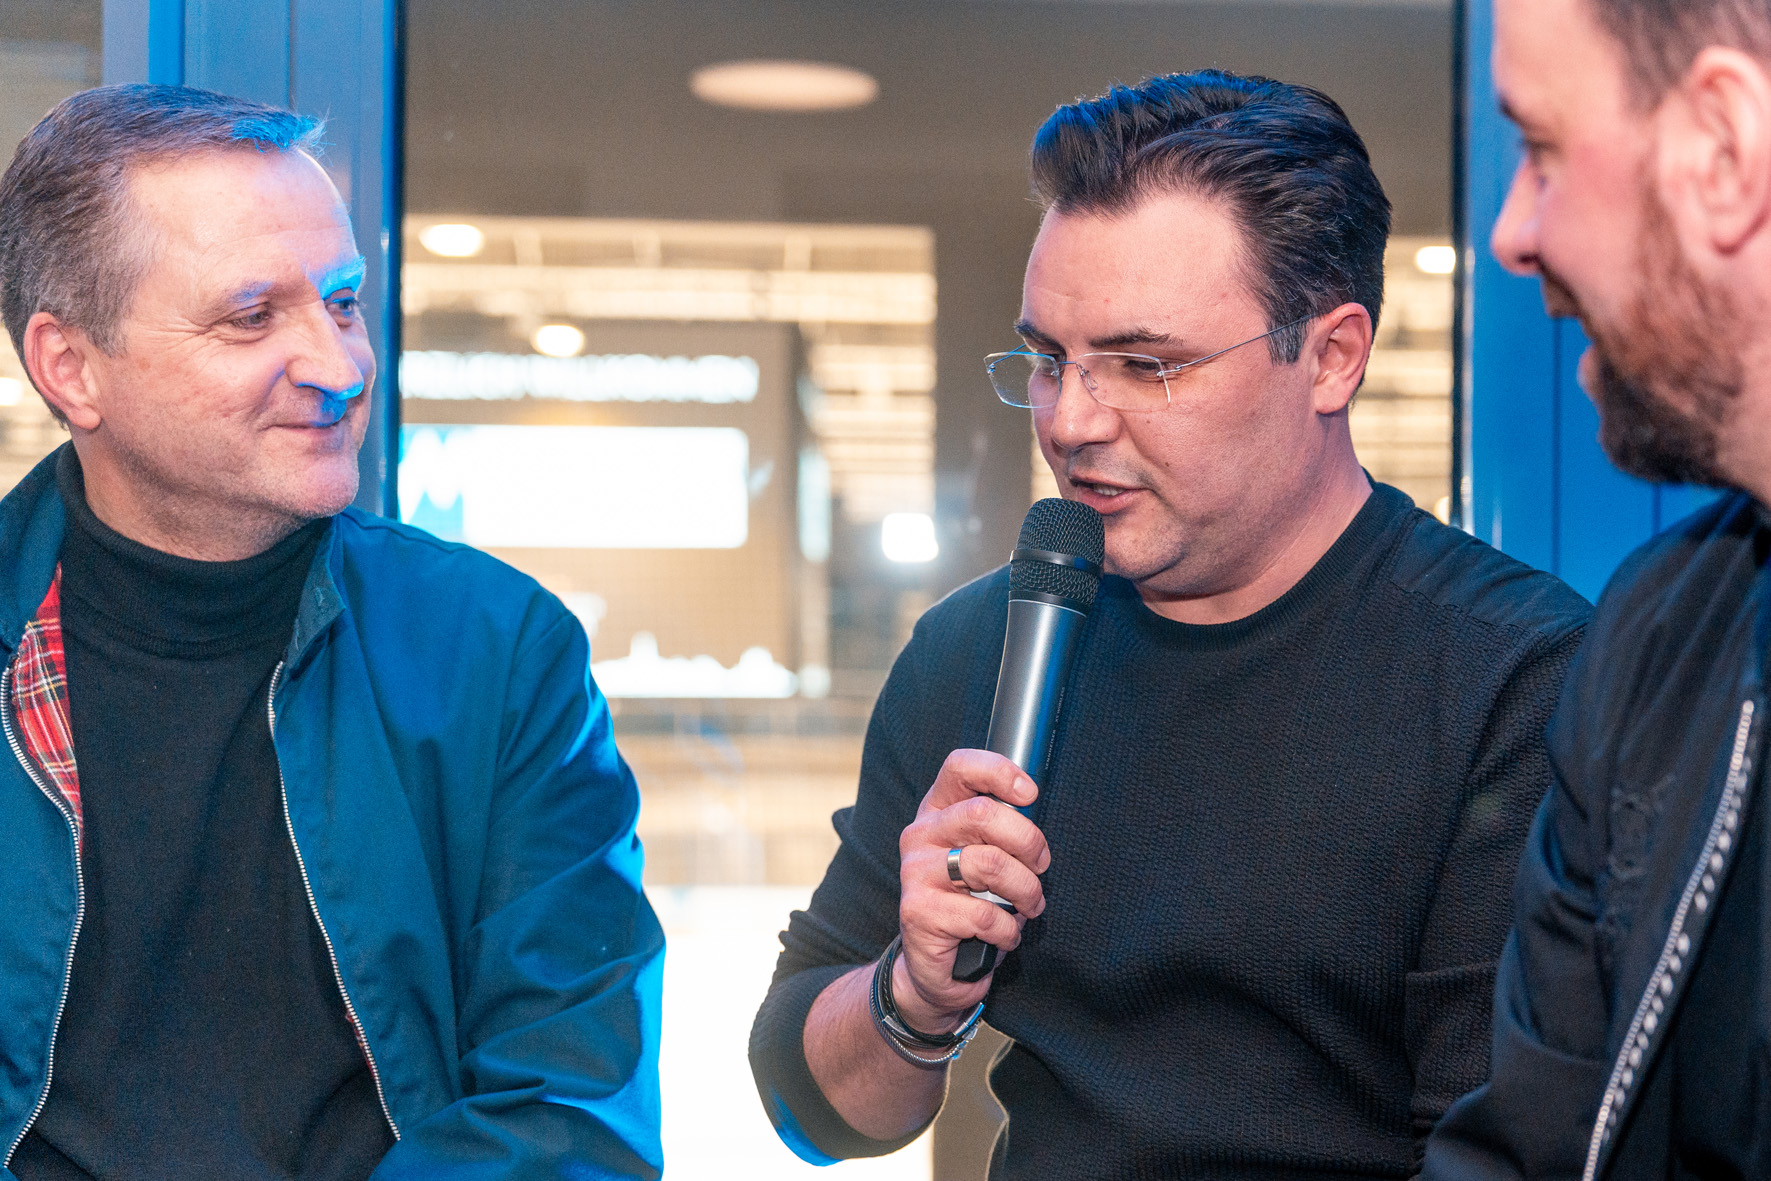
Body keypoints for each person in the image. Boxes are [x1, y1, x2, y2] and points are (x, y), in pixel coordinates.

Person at [748, 70, 1591, 1179]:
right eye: (1048, 359)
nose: (1070, 421)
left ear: (1331, 357)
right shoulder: (985, 646)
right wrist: (913, 994)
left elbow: (1507, 1151)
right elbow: (816, 1110)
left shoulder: (1512, 678)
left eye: (1144, 365)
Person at [0, 84, 662, 1179]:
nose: (341, 367)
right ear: (70, 367)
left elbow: (571, 1110)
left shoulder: (495, 653)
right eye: (251, 316)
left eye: (343, 301)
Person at [1421, 1, 1771, 1178]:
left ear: (1723, 148)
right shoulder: (1653, 631)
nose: (1509, 234)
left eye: (1540, 148)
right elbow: (1527, 1146)